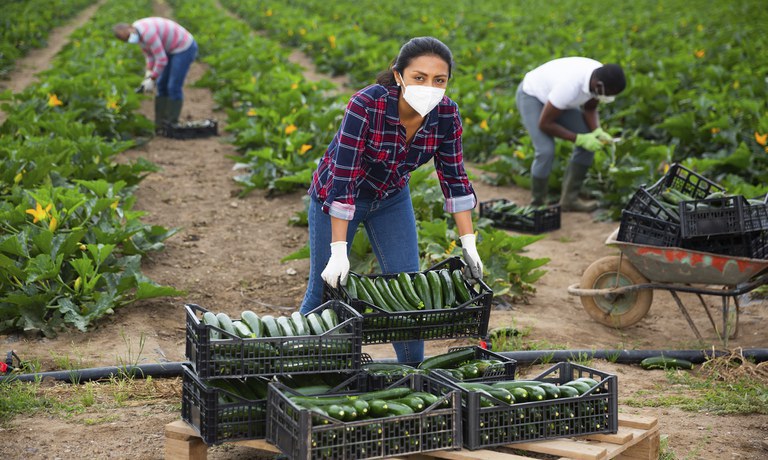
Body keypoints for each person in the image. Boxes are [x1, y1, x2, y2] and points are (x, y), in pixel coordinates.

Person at [300, 36, 483, 363]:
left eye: (439, 80)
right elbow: (344, 177)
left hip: (391, 199)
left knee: (409, 293)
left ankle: (414, 374)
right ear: (399, 76)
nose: (429, 86)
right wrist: (339, 251)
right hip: (341, 196)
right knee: (323, 289)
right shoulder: (367, 105)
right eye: (419, 77)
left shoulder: (446, 116)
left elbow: (455, 180)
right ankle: (288, 361)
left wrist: (469, 244)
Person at [516, 57, 626, 211]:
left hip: (558, 101)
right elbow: (545, 124)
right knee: (546, 151)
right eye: (608, 93)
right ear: (599, 85)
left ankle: (569, 200)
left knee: (590, 145)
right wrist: (579, 138)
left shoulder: (600, 78)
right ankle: (537, 204)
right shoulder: (569, 86)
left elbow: (590, 108)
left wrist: (597, 131)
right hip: (533, 96)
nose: (608, 97)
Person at [112, 18, 198, 130]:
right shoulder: (138, 35)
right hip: (169, 48)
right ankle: (160, 123)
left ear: (130, 27)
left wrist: (152, 78)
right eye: (126, 40)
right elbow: (150, 56)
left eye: (128, 36)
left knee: (173, 86)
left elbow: (161, 60)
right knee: (161, 85)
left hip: (183, 47)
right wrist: (148, 74)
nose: (130, 39)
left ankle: (172, 123)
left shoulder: (147, 33)